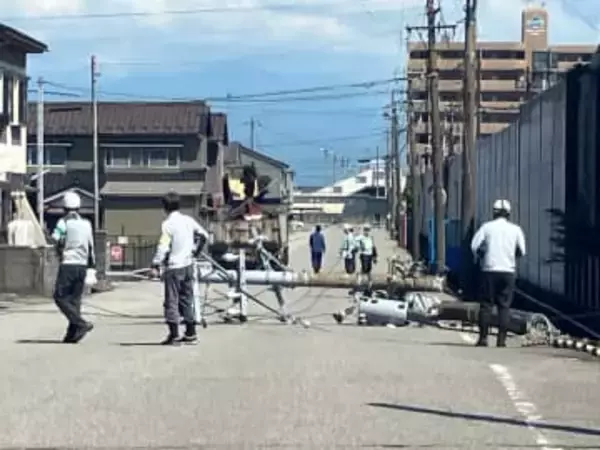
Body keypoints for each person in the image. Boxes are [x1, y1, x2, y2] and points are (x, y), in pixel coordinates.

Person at [151, 191, 209, 345]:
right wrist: (196, 251)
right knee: (186, 300)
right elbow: (204, 235)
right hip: (188, 264)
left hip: (174, 267)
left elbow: (163, 246)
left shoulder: (167, 225)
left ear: (164, 207)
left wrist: (156, 263)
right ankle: (191, 333)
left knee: (171, 300)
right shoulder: (188, 220)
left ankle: (174, 335)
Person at [470, 199, 526, 348]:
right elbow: (522, 251)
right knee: (504, 306)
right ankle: (501, 340)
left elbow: (474, 245)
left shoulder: (486, 227)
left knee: (486, 305)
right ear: (508, 213)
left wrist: (482, 256)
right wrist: (511, 257)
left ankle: (483, 339)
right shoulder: (516, 229)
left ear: (494, 213)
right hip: (508, 271)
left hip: (489, 270)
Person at [51, 191, 96, 344]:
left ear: (64, 207)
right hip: (82, 265)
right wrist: (92, 267)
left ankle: (81, 324)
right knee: (75, 300)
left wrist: (59, 247)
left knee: (60, 297)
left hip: (68, 264)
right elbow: (91, 247)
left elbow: (55, 239)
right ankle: (72, 334)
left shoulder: (63, 222)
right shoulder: (86, 223)